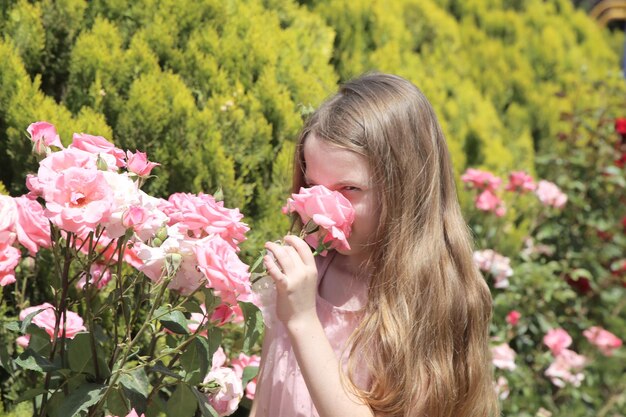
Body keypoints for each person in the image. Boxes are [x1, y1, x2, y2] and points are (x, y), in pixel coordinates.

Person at [249, 73, 498, 417]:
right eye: (313, 185)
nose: (323, 209)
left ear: (404, 188)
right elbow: (266, 397)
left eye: (348, 189)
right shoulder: (307, 274)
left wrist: (304, 320)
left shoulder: (430, 298)